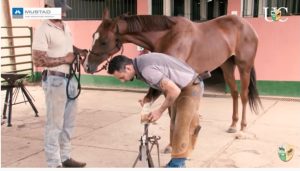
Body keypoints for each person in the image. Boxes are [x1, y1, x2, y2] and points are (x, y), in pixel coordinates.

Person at [107, 53, 204, 168]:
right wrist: (149, 98)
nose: (123, 81)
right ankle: (178, 159)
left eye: (122, 77)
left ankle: (177, 164)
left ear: (128, 68)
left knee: (182, 125)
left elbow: (174, 91)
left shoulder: (146, 69)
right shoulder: (140, 64)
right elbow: (158, 83)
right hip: (180, 86)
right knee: (174, 124)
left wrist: (159, 111)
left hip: (190, 87)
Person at [32, 0, 86, 168]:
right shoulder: (43, 30)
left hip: (70, 80)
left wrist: (78, 51)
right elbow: (38, 59)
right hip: (55, 80)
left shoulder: (65, 26)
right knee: (54, 125)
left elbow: (66, 47)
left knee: (68, 123)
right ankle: (54, 163)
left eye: (64, 10)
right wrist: (64, 59)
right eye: (60, 10)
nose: (64, 13)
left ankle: (65, 157)